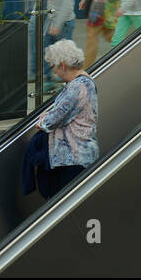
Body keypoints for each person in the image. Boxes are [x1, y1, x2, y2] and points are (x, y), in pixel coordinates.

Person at [36, 40, 99, 198]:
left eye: (53, 67)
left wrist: (42, 121)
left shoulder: (77, 87)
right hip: (76, 156)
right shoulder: (83, 82)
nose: (54, 72)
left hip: (74, 158)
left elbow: (53, 119)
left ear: (62, 65)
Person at [34, 0, 74, 93]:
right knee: (47, 49)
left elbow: (67, 5)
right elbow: (52, 3)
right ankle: (49, 79)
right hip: (51, 21)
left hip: (64, 23)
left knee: (64, 52)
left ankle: (69, 81)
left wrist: (57, 24)